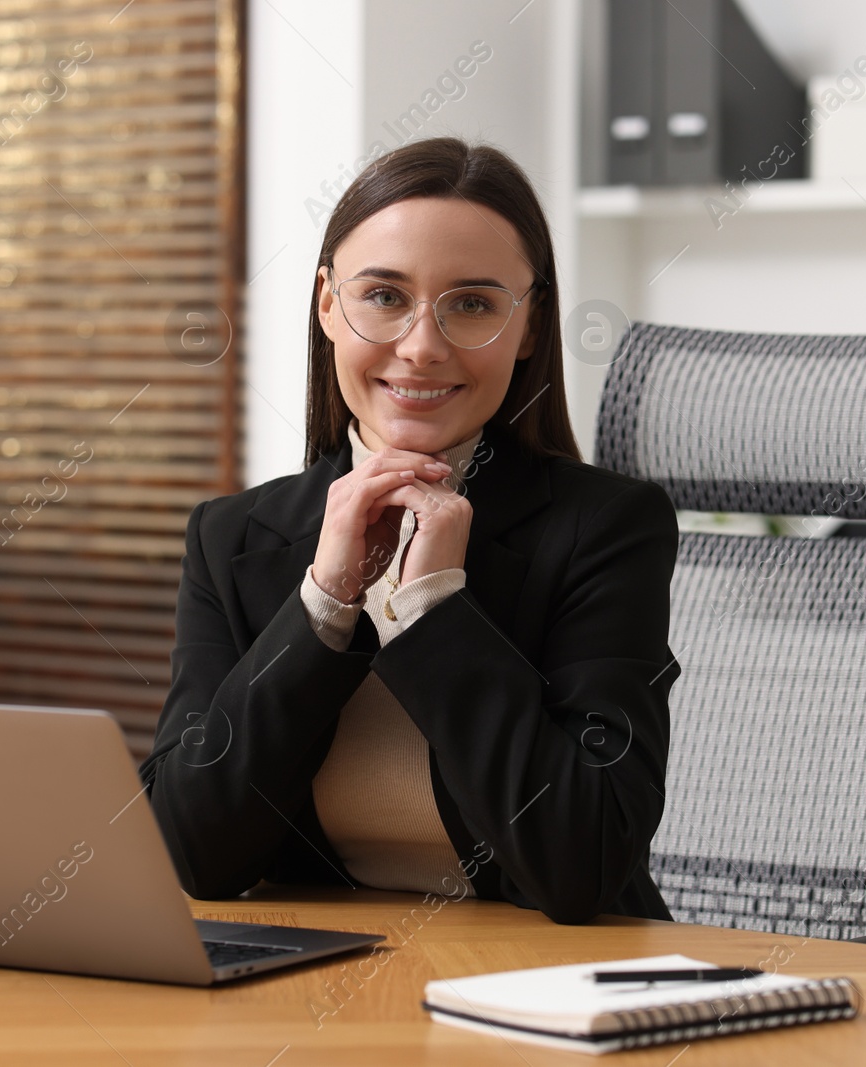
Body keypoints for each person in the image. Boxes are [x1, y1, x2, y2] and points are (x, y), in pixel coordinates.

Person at [138, 137, 680, 924]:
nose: (422, 347)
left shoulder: (607, 529)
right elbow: (194, 853)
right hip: (317, 993)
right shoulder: (231, 538)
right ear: (328, 304)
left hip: (545, 996)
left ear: (528, 327)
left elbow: (583, 862)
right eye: (384, 296)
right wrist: (324, 605)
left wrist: (432, 609)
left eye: (472, 303)